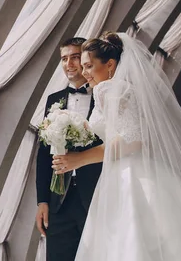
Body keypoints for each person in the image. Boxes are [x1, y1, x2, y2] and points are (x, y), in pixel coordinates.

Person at [51, 31, 181, 260]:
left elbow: (134, 139)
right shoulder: (119, 88)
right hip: (129, 173)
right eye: (83, 67)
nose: (84, 73)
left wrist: (82, 159)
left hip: (130, 177)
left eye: (89, 66)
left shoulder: (109, 89)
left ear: (110, 65)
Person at [35, 37, 102, 261]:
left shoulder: (104, 97)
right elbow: (44, 154)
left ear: (86, 60)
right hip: (59, 200)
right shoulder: (53, 100)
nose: (69, 64)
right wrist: (42, 200)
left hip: (96, 195)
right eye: (64, 59)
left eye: (75, 57)